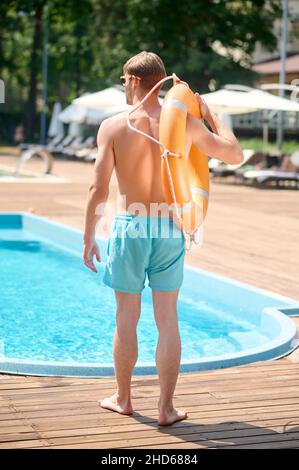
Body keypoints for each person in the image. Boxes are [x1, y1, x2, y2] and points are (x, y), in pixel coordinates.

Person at [83, 51, 243, 426]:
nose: (123, 87)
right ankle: (166, 408)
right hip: (169, 226)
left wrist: (89, 235)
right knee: (167, 319)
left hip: (129, 225)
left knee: (126, 317)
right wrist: (210, 113)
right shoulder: (185, 123)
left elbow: (97, 188)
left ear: (136, 80)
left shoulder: (114, 126)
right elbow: (234, 154)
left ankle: (123, 399)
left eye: (124, 81)